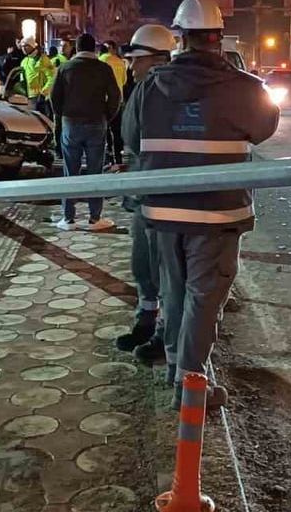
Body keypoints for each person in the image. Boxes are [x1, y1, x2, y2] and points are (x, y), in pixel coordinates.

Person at [124, 0, 279, 409]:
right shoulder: (246, 89)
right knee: (204, 300)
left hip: (161, 212)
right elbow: (265, 128)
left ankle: (179, 372)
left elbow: (129, 139)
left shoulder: (147, 89)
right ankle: (191, 388)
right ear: (219, 38)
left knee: (174, 295)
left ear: (180, 39)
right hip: (217, 213)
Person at [114, 24, 177, 357]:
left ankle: (157, 332)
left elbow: (131, 136)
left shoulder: (147, 90)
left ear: (156, 60)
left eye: (137, 60)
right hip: (167, 192)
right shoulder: (181, 87)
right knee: (154, 266)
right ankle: (151, 323)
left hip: (153, 193)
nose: (132, 66)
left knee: (155, 265)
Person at [50, 33, 121, 231]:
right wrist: (106, 116)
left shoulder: (64, 68)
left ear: (77, 48)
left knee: (70, 171)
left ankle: (68, 218)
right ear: (94, 49)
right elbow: (115, 96)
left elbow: (54, 97)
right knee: (95, 170)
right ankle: (94, 218)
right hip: (96, 123)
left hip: (71, 123)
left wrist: (63, 115)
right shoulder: (103, 68)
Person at [98, 42, 129, 165]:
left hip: (103, 101)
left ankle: (108, 156)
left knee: (104, 130)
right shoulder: (120, 62)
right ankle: (118, 156)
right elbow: (124, 80)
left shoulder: (100, 61)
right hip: (118, 101)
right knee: (117, 131)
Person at [19, 39, 56, 117]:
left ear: (32, 46)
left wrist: (43, 93)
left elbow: (52, 77)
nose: (23, 48)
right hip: (28, 98)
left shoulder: (42, 59)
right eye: (22, 46)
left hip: (40, 98)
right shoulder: (24, 61)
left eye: (26, 46)